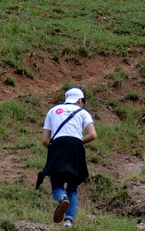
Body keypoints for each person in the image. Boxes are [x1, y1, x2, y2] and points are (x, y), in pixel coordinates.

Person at [37, 87, 97, 228]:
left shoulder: (53, 111)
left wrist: (55, 150)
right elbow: (93, 135)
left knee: (56, 184)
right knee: (73, 187)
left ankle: (62, 198)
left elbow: (45, 140)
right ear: (80, 100)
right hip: (76, 148)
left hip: (57, 146)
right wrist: (76, 142)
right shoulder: (83, 112)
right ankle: (68, 221)